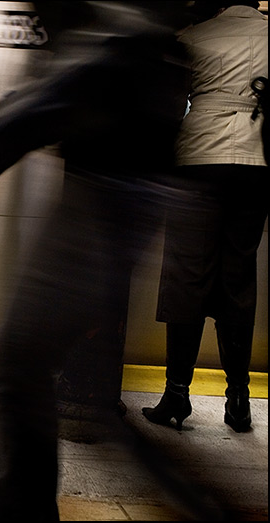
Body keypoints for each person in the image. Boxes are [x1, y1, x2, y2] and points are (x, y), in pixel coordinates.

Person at [0, 2, 189, 520]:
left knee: (20, 361)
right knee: (26, 364)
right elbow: (73, 74)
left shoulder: (123, 35)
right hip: (116, 188)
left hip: (109, 193)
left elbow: (93, 68)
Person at [143, 0, 268, 433]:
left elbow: (170, 104)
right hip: (257, 164)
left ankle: (177, 394)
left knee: (187, 275)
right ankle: (239, 401)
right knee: (237, 279)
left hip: (199, 162)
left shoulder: (194, 37)